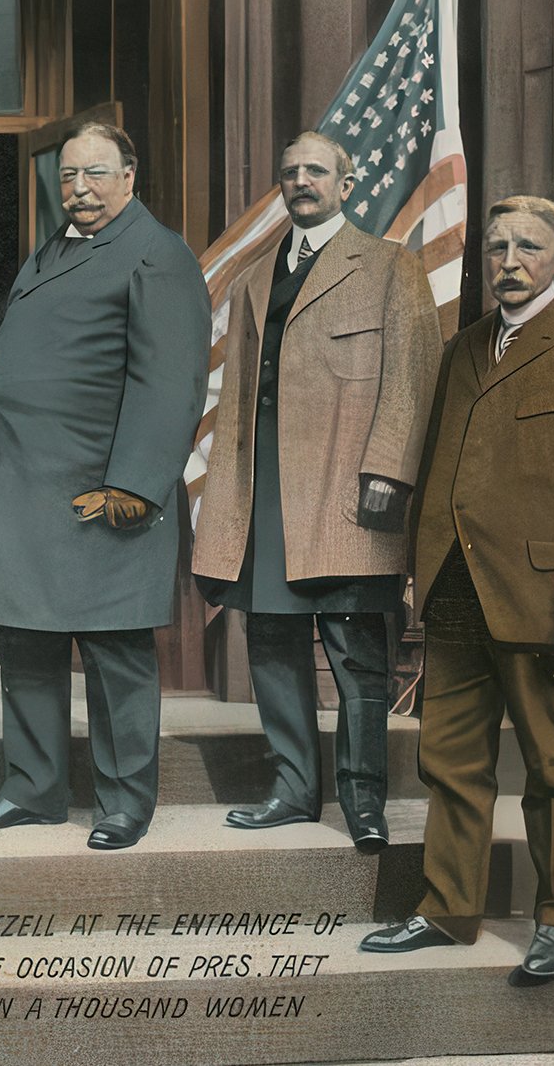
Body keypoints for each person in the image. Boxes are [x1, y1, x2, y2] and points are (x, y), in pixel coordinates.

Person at [361, 195, 554, 983]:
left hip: (543, 597)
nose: (508, 262)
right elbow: (447, 465)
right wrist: (417, 570)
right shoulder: (465, 347)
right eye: (497, 248)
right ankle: (448, 909)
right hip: (452, 589)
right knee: (450, 760)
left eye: (527, 248)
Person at [0, 122, 211, 851]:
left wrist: (135, 484)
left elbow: (172, 382)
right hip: (24, 490)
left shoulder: (159, 255)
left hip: (99, 494)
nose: (79, 190)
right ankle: (31, 792)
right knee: (26, 647)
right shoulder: (56, 247)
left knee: (115, 654)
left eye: (96, 175)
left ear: (130, 177)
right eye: (68, 177)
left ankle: (125, 803)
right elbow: (36, 330)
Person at [193, 131, 441, 850]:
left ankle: (364, 805)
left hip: (351, 501)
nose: (302, 181)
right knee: (270, 645)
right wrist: (228, 500)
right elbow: (237, 399)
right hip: (264, 503)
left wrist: (389, 475)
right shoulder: (251, 279)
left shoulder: (392, 266)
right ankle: (293, 790)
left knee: (359, 660)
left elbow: (413, 382)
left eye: (316, 171)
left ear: (347, 181)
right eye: (290, 172)